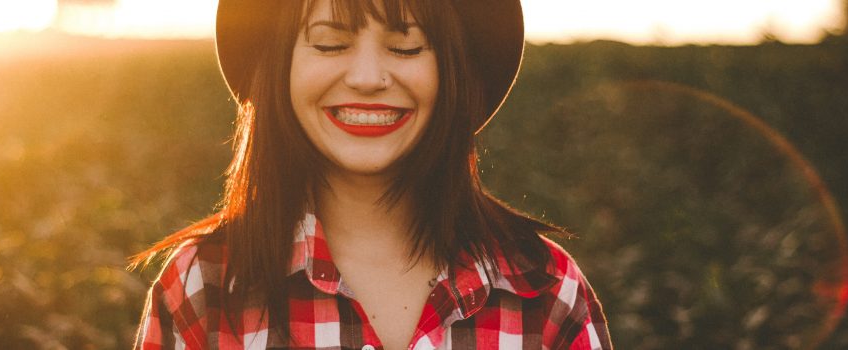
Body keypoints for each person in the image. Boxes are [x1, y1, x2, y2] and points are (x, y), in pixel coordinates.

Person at [132, 0, 611, 348]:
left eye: (406, 47)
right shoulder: (204, 288)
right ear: (281, 67)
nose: (367, 77)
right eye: (330, 42)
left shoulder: (544, 291)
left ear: (454, 72)